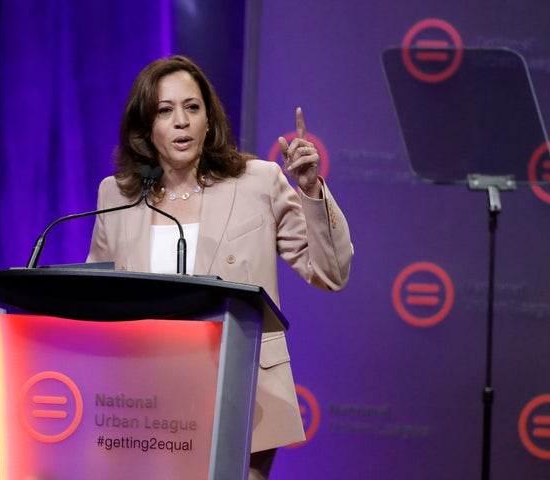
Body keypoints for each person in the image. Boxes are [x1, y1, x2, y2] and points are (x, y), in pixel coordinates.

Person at [86, 55, 353, 479]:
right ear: (145, 126)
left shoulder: (257, 181)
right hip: (144, 403)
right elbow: (95, 300)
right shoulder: (117, 195)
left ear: (209, 121)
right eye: (165, 109)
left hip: (242, 395)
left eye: (192, 108)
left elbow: (331, 272)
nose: (181, 121)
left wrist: (310, 191)